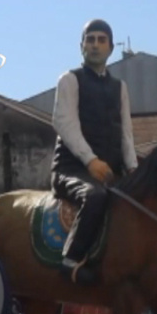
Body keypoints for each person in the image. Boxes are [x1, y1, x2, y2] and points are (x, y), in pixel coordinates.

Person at [50, 18, 138, 285]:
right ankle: (71, 260)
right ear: (81, 46)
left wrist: (133, 169)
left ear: (111, 47)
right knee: (95, 196)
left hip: (110, 172)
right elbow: (64, 123)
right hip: (72, 170)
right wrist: (90, 161)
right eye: (90, 40)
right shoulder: (69, 80)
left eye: (101, 40)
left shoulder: (120, 87)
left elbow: (126, 133)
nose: (95, 45)